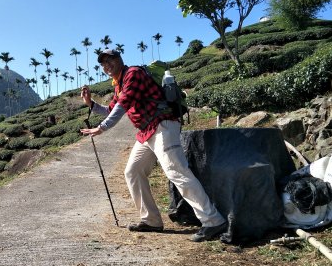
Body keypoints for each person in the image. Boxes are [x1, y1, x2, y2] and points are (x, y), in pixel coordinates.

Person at [80, 49, 227, 242]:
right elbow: (109, 109)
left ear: (119, 59)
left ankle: (213, 221)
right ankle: (151, 220)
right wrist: (90, 103)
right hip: (147, 131)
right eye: (103, 64)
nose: (106, 66)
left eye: (110, 61)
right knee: (133, 171)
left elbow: (122, 105)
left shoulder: (133, 74)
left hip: (162, 125)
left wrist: (102, 128)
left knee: (177, 171)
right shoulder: (119, 84)